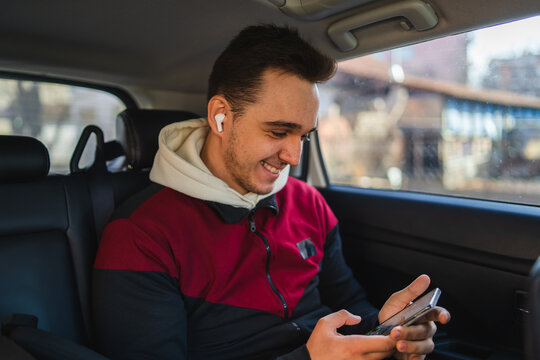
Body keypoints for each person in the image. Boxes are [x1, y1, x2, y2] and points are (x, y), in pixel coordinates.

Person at [92, 24, 450, 360]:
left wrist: (385, 332)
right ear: (220, 116)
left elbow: (349, 304)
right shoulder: (141, 235)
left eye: (304, 136)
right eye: (279, 131)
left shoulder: (309, 203)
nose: (294, 156)